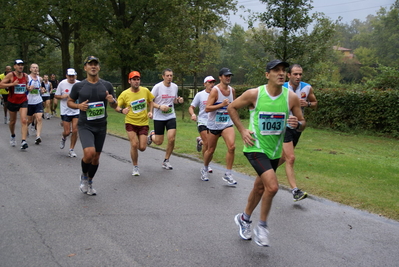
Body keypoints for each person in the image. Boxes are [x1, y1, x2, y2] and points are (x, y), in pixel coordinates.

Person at [228, 60, 305, 247]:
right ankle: (262, 227)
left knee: (260, 187)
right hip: (255, 147)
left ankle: (244, 218)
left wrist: (298, 125)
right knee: (272, 187)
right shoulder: (255, 94)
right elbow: (232, 108)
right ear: (267, 75)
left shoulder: (291, 98)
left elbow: (303, 123)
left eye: (283, 71)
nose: (281, 73)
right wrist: (242, 130)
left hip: (274, 151)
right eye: (276, 70)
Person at [67, 56, 118, 195]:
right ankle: (84, 176)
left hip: (101, 125)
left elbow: (115, 105)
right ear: (85, 68)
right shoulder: (79, 86)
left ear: (99, 67)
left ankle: (90, 181)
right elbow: (69, 102)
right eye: (90, 64)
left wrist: (111, 100)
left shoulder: (106, 85)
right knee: (89, 153)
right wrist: (78, 105)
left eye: (95, 64)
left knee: (96, 157)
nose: (93, 66)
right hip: (85, 125)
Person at [278, 64, 318, 201]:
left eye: (300, 74)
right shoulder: (281, 88)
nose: (298, 77)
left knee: (284, 157)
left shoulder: (307, 88)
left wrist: (307, 104)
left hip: (298, 126)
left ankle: (266, 172)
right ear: (289, 75)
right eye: (295, 74)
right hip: (284, 126)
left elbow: (315, 103)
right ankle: (295, 190)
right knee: (290, 158)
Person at [200, 68, 237, 185]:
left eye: (229, 76)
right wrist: (222, 104)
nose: (228, 78)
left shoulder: (232, 91)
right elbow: (207, 108)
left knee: (232, 147)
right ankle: (205, 168)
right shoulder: (215, 91)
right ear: (220, 77)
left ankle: (228, 174)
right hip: (214, 124)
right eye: (226, 76)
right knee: (210, 150)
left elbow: (233, 106)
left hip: (227, 123)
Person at [115, 71, 154, 176]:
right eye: (134, 79)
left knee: (142, 148)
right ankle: (135, 166)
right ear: (129, 81)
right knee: (134, 144)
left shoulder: (145, 91)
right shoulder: (125, 94)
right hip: (130, 122)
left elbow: (151, 101)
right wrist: (122, 110)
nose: (136, 82)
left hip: (143, 122)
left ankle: (150, 137)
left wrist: (150, 111)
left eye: (138, 79)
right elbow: (116, 106)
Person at [147, 68, 184, 170]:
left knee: (171, 138)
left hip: (170, 115)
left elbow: (174, 100)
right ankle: (151, 136)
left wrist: (178, 100)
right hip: (159, 116)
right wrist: (159, 107)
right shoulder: (158, 87)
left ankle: (166, 160)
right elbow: (149, 101)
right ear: (163, 76)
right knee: (159, 142)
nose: (169, 77)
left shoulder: (175, 87)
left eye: (171, 75)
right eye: (167, 75)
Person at [188, 76, 216, 174]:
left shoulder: (217, 94)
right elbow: (191, 107)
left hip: (213, 123)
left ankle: (200, 141)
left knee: (211, 146)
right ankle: (206, 165)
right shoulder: (200, 95)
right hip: (202, 121)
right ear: (205, 84)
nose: (212, 84)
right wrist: (193, 114)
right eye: (209, 82)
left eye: (213, 82)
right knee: (207, 143)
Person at [0, 60, 29, 149]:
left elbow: (26, 86)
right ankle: (12, 135)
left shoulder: (25, 76)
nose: (20, 66)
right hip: (12, 101)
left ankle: (23, 141)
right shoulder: (10, 75)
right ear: (14, 66)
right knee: (12, 122)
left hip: (23, 100)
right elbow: (1, 85)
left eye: (22, 65)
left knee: (24, 120)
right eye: (18, 65)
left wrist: (29, 88)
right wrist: (12, 84)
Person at [55, 68, 80, 157]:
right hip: (65, 110)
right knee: (67, 132)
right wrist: (62, 96)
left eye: (73, 76)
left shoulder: (79, 84)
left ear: (75, 76)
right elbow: (56, 95)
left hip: (76, 109)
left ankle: (71, 149)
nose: (71, 78)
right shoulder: (62, 83)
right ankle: (64, 138)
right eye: (69, 76)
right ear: (66, 76)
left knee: (75, 130)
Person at [27, 63, 44, 145]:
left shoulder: (40, 79)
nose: (35, 69)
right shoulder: (27, 78)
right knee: (29, 120)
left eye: (36, 67)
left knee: (39, 117)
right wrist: (29, 88)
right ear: (30, 69)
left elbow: (39, 88)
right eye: (33, 67)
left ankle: (38, 136)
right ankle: (25, 127)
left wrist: (42, 90)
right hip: (29, 101)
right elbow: (26, 88)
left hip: (38, 100)